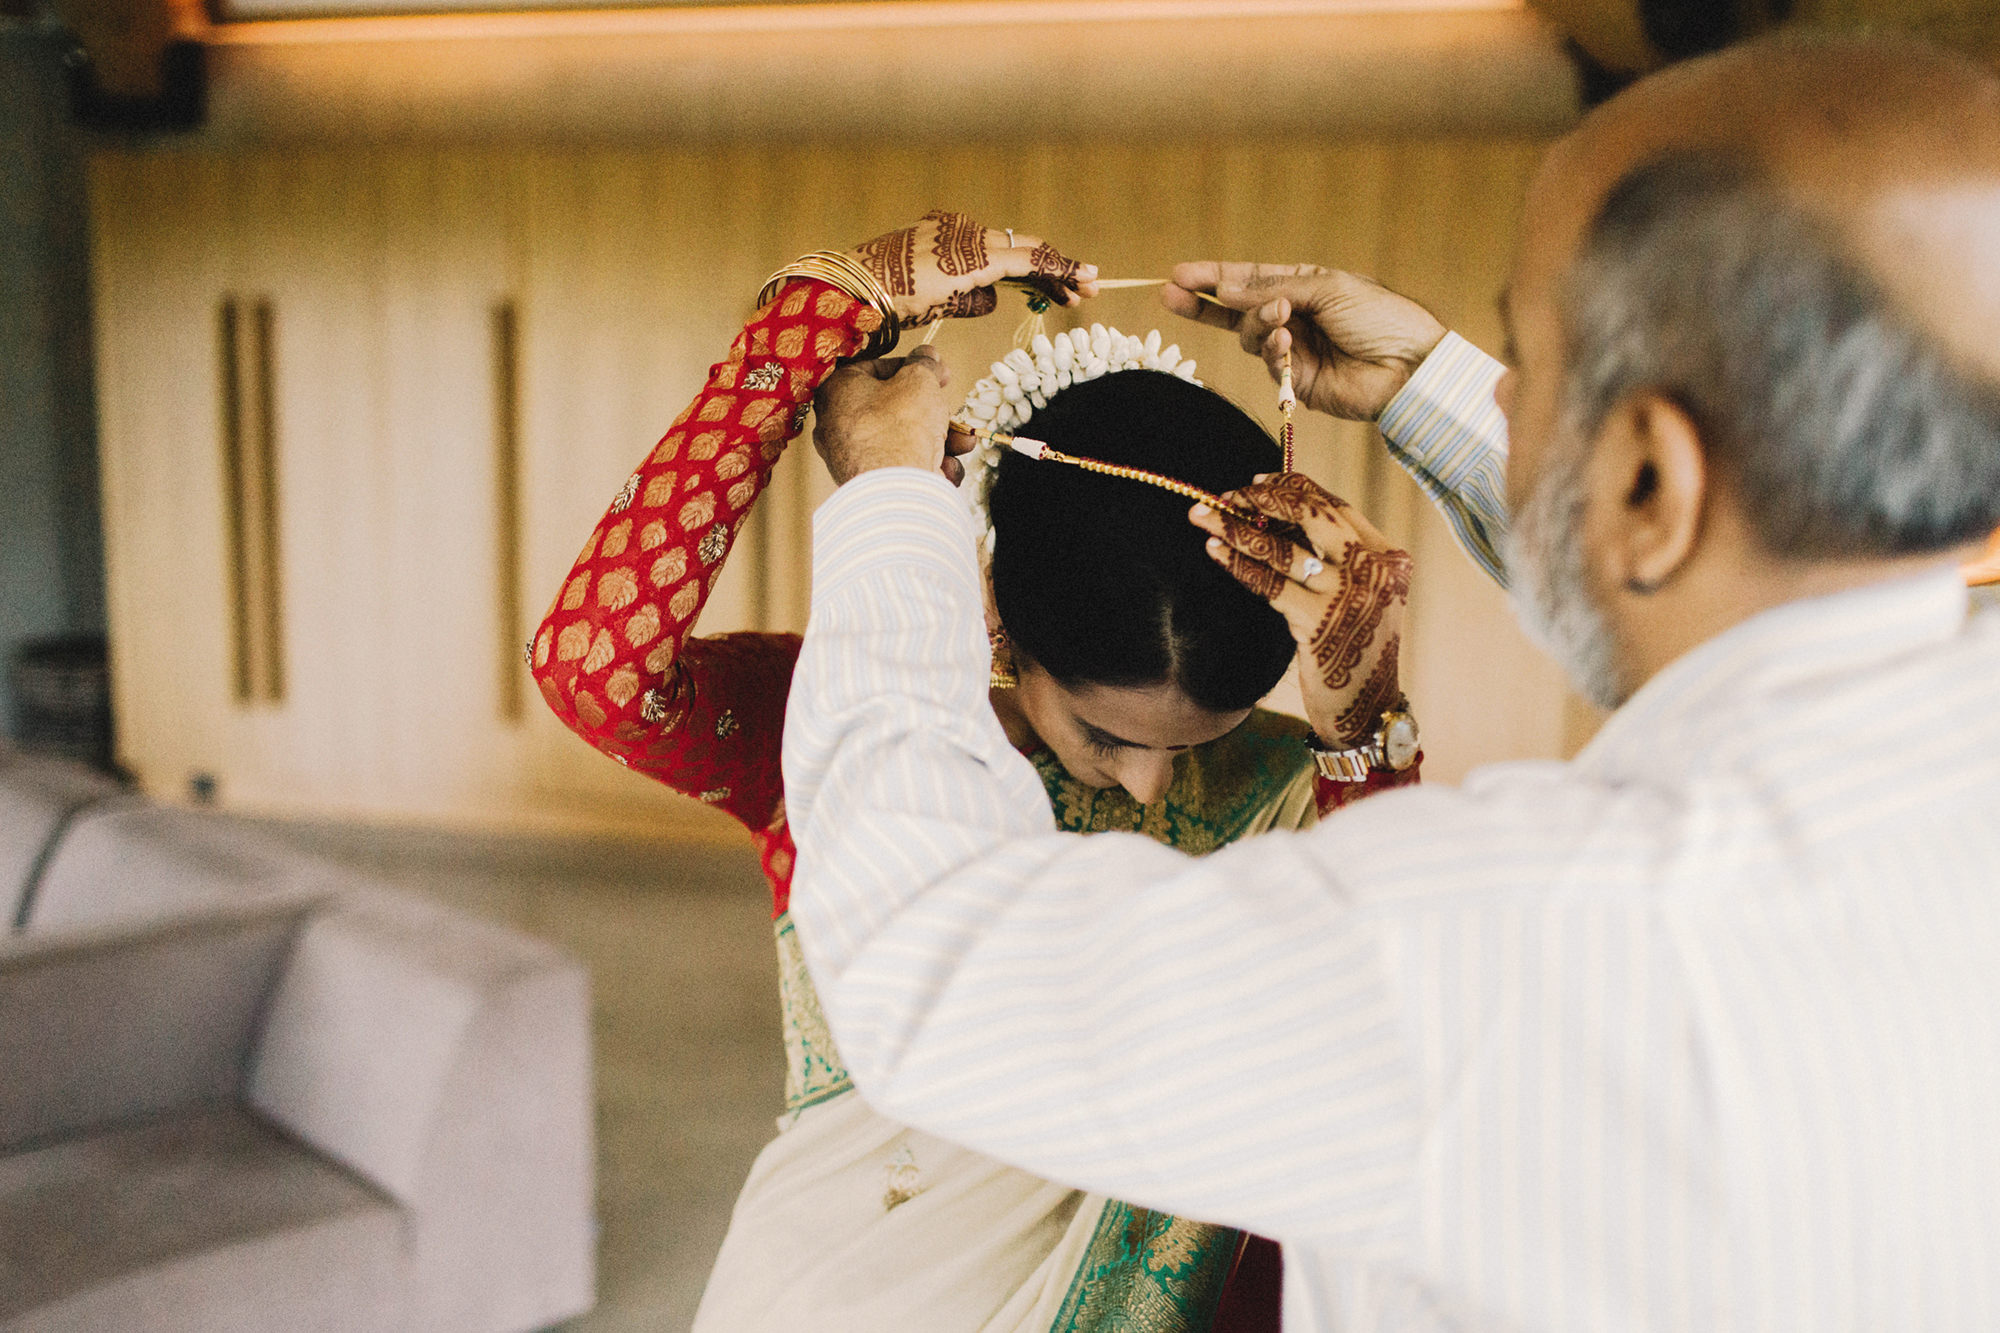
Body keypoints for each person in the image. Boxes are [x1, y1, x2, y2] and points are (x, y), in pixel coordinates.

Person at [781, 33, 2000, 1330]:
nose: (1508, 398)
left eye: (1524, 362)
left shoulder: (1490, 949)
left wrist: (895, 498)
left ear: (1649, 474)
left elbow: (926, 963)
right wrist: (1439, 386)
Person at [527, 212, 1421, 1331]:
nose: (1146, 787)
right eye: (1106, 735)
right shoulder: (850, 726)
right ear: (995, 615)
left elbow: (1388, 1013)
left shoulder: (1299, 780)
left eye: (1194, 744)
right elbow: (594, 669)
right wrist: (806, 333)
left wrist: (1368, 723)